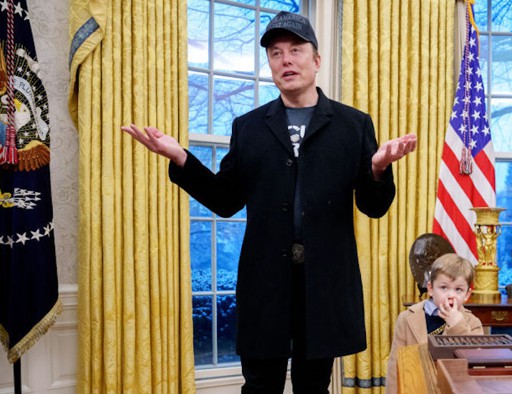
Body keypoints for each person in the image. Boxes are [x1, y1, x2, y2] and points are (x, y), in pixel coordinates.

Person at [122, 11, 417, 393]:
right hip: (265, 283)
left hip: (324, 283)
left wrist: (378, 168)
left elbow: (373, 207)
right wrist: (181, 157)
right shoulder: (248, 127)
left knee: (313, 386)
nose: (286, 60)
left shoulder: (353, 125)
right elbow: (225, 200)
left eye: (296, 50)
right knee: (260, 385)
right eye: (276, 54)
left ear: (316, 60)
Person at [386, 253, 484, 393]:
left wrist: (457, 326)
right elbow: (395, 367)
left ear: (467, 295)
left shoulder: (473, 323)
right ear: (431, 289)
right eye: (444, 287)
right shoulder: (406, 319)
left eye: (458, 289)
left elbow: (475, 367)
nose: (451, 295)